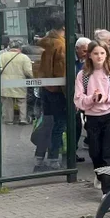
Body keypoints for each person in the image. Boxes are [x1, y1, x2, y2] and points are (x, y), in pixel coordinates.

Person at [75, 41, 110, 194]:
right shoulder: (83, 75)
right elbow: (78, 100)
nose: (99, 56)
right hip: (92, 117)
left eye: (102, 53)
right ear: (89, 55)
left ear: (107, 54)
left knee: (107, 152)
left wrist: (106, 97)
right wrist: (92, 98)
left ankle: (108, 190)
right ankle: (101, 175)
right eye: (96, 53)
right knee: (95, 152)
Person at [34, 15, 67, 170]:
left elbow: (37, 67)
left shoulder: (46, 44)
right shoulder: (60, 45)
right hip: (58, 90)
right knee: (59, 124)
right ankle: (53, 157)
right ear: (64, 28)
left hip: (46, 87)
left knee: (47, 124)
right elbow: (62, 71)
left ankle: (39, 156)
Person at [0, 40, 33, 124]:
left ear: (9, 47)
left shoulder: (2, 56)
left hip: (5, 83)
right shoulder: (24, 57)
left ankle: (8, 119)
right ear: (20, 48)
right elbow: (28, 71)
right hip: (20, 83)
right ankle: (22, 119)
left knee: (8, 101)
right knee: (22, 101)